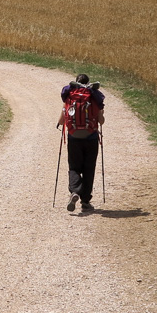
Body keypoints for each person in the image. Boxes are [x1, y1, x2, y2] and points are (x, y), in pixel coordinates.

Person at [56, 73, 105, 212]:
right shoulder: (93, 97)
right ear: (88, 83)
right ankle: (85, 201)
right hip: (91, 138)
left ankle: (74, 191)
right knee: (89, 169)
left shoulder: (70, 98)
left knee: (74, 167)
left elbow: (61, 121)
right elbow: (101, 121)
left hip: (74, 138)